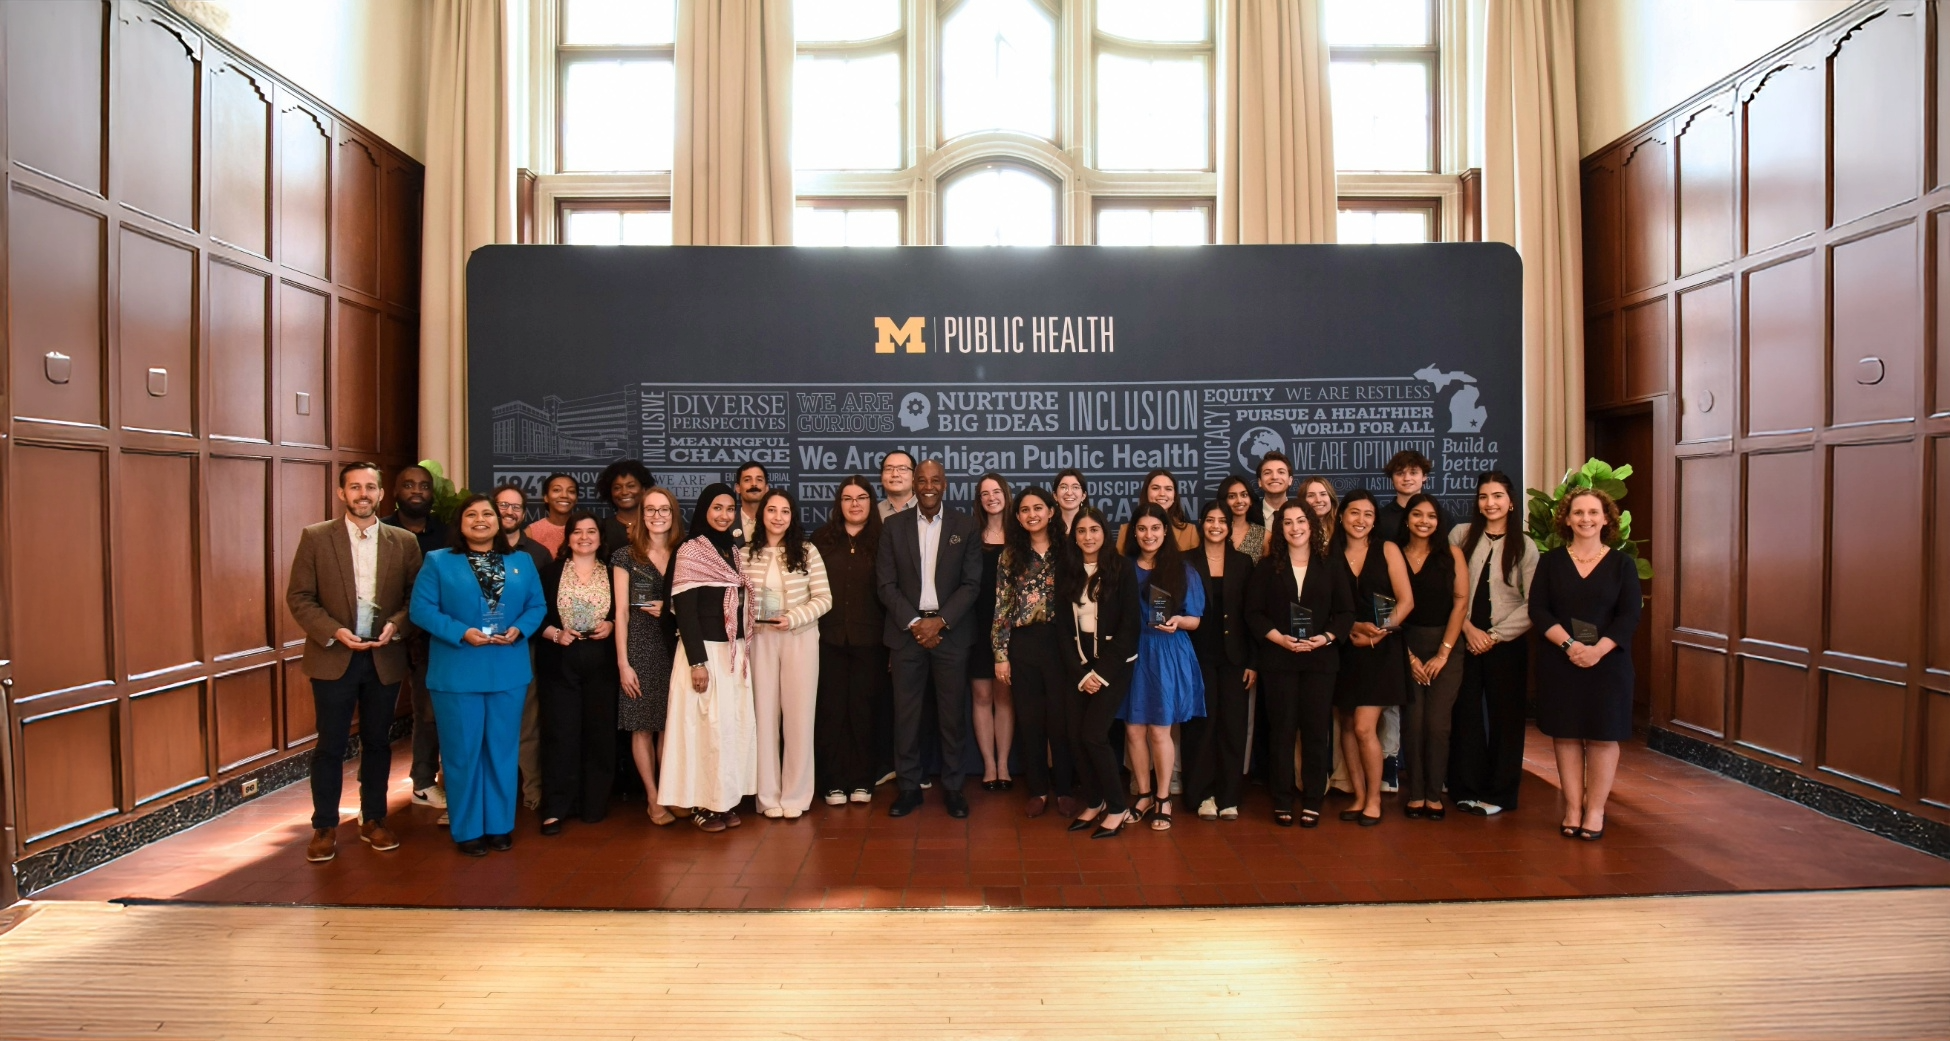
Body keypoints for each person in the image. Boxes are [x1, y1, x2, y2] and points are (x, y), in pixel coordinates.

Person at [286, 462, 424, 863]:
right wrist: (333, 631)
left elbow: (415, 598)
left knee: (379, 743)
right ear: (342, 493)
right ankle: (324, 826)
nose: (363, 494)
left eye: (371, 487)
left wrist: (397, 626)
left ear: (382, 494)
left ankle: (375, 820)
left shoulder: (403, 542)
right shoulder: (315, 538)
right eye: (355, 487)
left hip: (383, 657)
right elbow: (300, 597)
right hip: (334, 656)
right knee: (329, 745)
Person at [409, 493, 546, 856]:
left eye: (489, 513)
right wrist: (460, 631)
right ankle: (467, 829)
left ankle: (500, 826)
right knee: (462, 753)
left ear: (500, 522)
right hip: (457, 672)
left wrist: (520, 628)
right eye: (472, 514)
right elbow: (421, 610)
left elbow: (537, 605)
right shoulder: (438, 562)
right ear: (461, 523)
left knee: (501, 751)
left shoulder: (522, 561)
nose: (481, 519)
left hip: (507, 670)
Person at [1531, 488, 1641, 841]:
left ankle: (1595, 809)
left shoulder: (1622, 564)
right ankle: (1573, 807)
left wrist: (1598, 650)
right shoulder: (1550, 561)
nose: (1586, 519)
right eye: (1578, 513)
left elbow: (1629, 615)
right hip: (1561, 660)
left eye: (1594, 513)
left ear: (1606, 519)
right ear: (1566, 518)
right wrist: (1570, 645)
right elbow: (1539, 610)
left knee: (1603, 736)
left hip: (1608, 664)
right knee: (1565, 734)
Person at [876, 460, 983, 818]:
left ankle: (954, 788)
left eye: (935, 480)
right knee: (906, 716)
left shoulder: (965, 526)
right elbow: (885, 585)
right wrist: (913, 622)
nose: (927, 486)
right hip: (906, 635)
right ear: (914, 485)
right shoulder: (893, 526)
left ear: (945, 485)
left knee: (952, 715)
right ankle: (908, 787)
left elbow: (971, 584)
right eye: (921, 480)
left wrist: (940, 622)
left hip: (950, 635)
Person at [1244, 501, 1352, 827]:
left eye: (1301, 521)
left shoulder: (1331, 565)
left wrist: (1327, 637)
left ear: (1312, 525)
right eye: (1287, 523)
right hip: (1279, 660)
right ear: (1280, 530)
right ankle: (1282, 798)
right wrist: (1278, 638)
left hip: (1320, 660)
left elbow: (1347, 612)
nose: (1295, 528)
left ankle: (1313, 799)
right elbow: (1253, 613)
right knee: (1282, 731)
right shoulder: (1266, 568)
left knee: (1317, 732)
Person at [661, 484, 759, 832]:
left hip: (732, 653)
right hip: (702, 655)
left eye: (730, 509)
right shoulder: (690, 551)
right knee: (704, 732)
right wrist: (697, 664)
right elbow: (684, 612)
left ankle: (725, 800)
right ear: (703, 510)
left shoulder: (734, 551)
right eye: (717, 508)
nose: (724, 515)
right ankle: (702, 804)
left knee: (729, 731)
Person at [1448, 471, 1540, 817]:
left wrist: (1495, 636)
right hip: (1464, 638)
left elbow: (1534, 603)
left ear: (1511, 502)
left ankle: (1500, 792)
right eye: (1484, 496)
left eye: (1498, 496)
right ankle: (1465, 788)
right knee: (1466, 715)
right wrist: (1468, 630)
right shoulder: (1460, 535)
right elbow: (1448, 590)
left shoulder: (1525, 545)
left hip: (1506, 644)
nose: (1491, 503)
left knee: (1506, 718)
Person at [742, 488, 832, 819]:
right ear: (761, 515)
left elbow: (824, 598)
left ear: (792, 517)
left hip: (799, 639)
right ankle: (767, 797)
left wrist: (793, 618)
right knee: (763, 719)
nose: (778, 517)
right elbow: (733, 600)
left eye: (785, 511)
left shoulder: (807, 551)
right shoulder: (744, 554)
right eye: (772, 511)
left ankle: (796, 795)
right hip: (760, 640)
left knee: (799, 718)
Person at [1054, 507, 1141, 838]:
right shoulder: (1068, 569)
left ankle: (1117, 807)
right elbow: (1062, 629)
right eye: (1081, 531)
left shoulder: (1122, 569)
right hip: (1078, 666)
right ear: (1074, 536)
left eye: (1094, 530)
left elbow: (1130, 627)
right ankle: (1094, 801)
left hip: (1114, 666)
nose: (1087, 536)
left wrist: (1100, 673)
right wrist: (1080, 672)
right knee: (1076, 737)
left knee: (1094, 735)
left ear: (1105, 533)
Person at [1119, 503, 1206, 831]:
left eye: (1155, 528)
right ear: (1134, 533)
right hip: (1131, 653)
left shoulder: (1182, 569)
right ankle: (1142, 794)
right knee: (1133, 729)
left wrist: (1178, 621)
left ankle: (1163, 797)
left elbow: (1195, 620)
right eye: (1142, 529)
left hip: (1168, 652)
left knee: (1159, 729)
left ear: (1166, 531)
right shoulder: (1123, 568)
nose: (1148, 535)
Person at [1331, 489, 1414, 826]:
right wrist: (1350, 626)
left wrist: (1382, 629)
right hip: (1344, 647)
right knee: (1347, 725)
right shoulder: (1330, 553)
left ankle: (1375, 799)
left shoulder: (1388, 549)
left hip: (1383, 648)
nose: (1360, 520)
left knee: (1366, 727)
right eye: (1354, 513)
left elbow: (1406, 600)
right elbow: (1325, 603)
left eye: (1368, 514)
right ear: (1341, 516)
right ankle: (1359, 795)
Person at [992, 487, 1075, 818]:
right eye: (1024, 510)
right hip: (1023, 644)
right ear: (1018, 517)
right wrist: (1000, 654)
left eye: (1038, 508)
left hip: (1061, 643)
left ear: (1051, 512)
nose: (1032, 515)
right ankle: (1038, 790)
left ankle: (1066, 788)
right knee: (1029, 720)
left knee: (1061, 720)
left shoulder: (1068, 550)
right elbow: (1002, 607)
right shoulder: (1010, 555)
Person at [535, 513, 619, 834]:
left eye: (591, 531)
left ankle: (593, 804)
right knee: (561, 733)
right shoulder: (549, 573)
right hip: (561, 657)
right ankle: (557, 807)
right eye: (577, 532)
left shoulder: (614, 573)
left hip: (602, 659)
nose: (584, 537)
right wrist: (555, 634)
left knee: (600, 734)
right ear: (567, 538)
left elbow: (623, 614)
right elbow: (532, 614)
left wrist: (610, 624)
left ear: (601, 537)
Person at [810, 477, 886, 805]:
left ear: (871, 501)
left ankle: (862, 780)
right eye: (847, 498)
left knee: (864, 711)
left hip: (871, 641)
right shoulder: (821, 540)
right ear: (838, 504)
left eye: (861, 497)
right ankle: (833, 782)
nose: (854, 504)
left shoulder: (886, 538)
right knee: (831, 712)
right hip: (828, 641)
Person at [1394, 493, 1467, 820]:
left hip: (1446, 645)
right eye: (1417, 515)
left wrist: (1443, 653)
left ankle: (1435, 793)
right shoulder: (1393, 554)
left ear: (1439, 522)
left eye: (1431, 516)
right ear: (1407, 518)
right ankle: (1417, 793)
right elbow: (1386, 606)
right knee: (1412, 724)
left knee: (1437, 725)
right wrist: (1407, 657)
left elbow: (1461, 602)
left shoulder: (1451, 554)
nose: (1424, 521)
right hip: (1403, 644)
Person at [381, 464, 448, 817]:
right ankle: (371, 798)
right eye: (408, 485)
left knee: (428, 713)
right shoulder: (381, 531)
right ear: (394, 491)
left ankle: (422, 781)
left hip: (431, 639)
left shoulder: (447, 535)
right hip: (385, 636)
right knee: (378, 718)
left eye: (423, 485)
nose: (417, 491)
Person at [611, 486, 680, 825]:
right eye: (650, 510)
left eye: (663, 509)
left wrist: (669, 608)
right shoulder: (626, 555)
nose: (657, 516)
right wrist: (623, 664)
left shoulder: (685, 553)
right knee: (641, 726)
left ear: (673, 514)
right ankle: (653, 799)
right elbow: (621, 612)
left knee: (669, 725)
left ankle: (669, 792)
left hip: (675, 647)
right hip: (638, 646)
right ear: (641, 515)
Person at [1184, 500, 1257, 821]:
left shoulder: (1243, 562)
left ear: (1230, 526)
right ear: (1202, 524)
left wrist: (1253, 661)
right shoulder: (1186, 561)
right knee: (1201, 727)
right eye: (1210, 520)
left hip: (1235, 658)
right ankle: (1201, 794)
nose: (1216, 525)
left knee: (1233, 727)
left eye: (1222, 521)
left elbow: (1252, 616)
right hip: (1197, 657)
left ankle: (1229, 796)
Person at [492, 483, 550, 810]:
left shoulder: (537, 554)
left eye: (516, 507)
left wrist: (519, 630)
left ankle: (533, 794)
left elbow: (540, 606)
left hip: (523, 648)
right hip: (478, 649)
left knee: (527, 725)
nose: (509, 512)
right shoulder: (472, 551)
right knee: (488, 726)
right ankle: (495, 793)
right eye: (503, 506)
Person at [969, 473, 1016, 791]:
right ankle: (988, 766)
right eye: (984, 493)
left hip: (1012, 629)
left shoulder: (1020, 535)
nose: (991, 497)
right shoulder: (970, 535)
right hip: (974, 627)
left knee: (1005, 696)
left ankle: (1004, 765)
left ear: (1006, 495)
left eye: (996, 491)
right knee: (982, 696)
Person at [1118, 469, 1200, 552]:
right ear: (1146, 493)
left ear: (1174, 495)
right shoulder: (1125, 531)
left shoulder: (1189, 531)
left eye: (1168, 489)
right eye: (1155, 488)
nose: (1162, 494)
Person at [1374, 450, 1437, 544]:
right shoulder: (1379, 518)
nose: (1407, 478)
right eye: (1400, 473)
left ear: (1424, 476)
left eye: (1413, 473)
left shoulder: (1441, 516)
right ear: (1392, 479)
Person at [595, 459, 653, 558]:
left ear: (644, 489)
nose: (624, 492)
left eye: (631, 486)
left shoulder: (656, 524)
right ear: (610, 493)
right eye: (617, 488)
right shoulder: (601, 527)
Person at [525, 473, 578, 557]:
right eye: (556, 490)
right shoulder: (532, 532)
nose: (564, 495)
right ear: (546, 497)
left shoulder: (584, 529)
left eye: (571, 491)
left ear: (576, 499)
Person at [1216, 475, 1266, 560]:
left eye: (1244, 495)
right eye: (1232, 496)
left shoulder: (1264, 535)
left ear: (1251, 500)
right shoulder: (1214, 530)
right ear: (1223, 501)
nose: (1239, 501)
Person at [1296, 476, 1340, 556]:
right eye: (1311, 495)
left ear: (1331, 499)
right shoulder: (1296, 530)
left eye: (1323, 494)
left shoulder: (1342, 527)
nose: (1318, 500)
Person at [1255, 452, 1294, 532]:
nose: (1274, 477)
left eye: (1281, 472)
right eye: (1267, 473)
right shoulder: (1248, 515)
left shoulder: (1302, 512)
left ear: (1290, 480)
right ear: (1259, 482)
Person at [876, 450, 917, 519]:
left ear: (914, 476)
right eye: (889, 469)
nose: (895, 474)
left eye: (902, 469)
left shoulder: (927, 508)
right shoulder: (875, 512)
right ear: (881, 476)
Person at [1052, 468, 1089, 535]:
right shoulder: (1047, 526)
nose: (1069, 493)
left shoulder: (1093, 523)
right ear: (1055, 495)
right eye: (1063, 487)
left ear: (1083, 495)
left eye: (1075, 487)